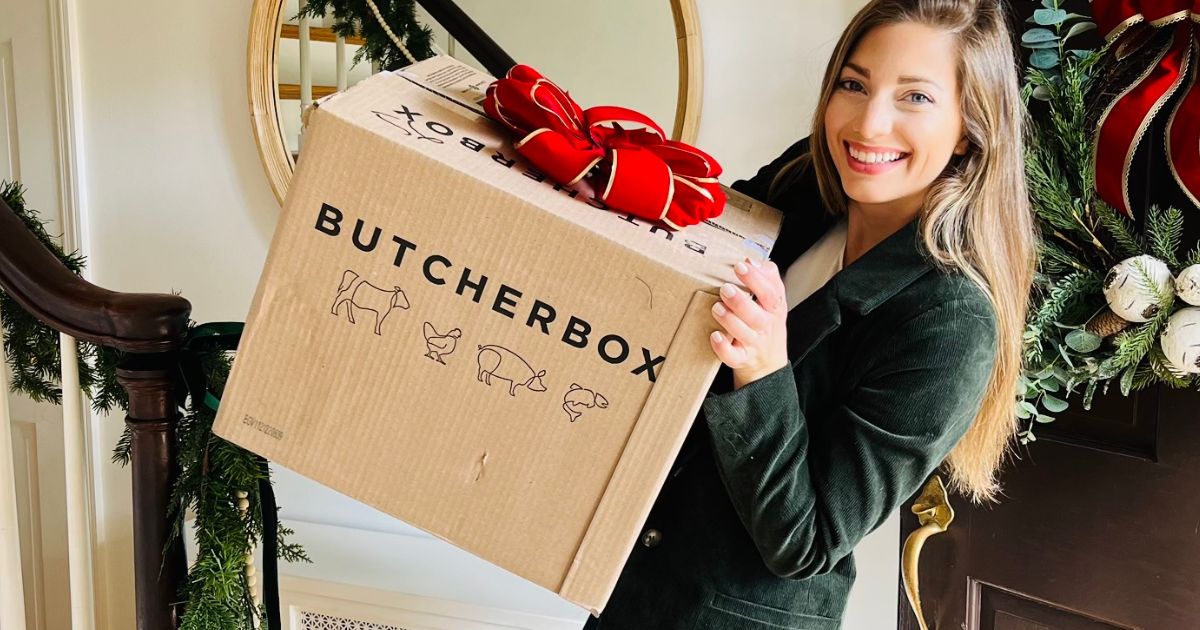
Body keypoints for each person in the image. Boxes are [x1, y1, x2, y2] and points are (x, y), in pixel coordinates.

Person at [582, 0, 1037, 628]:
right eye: (854, 85)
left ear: (969, 127)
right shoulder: (806, 182)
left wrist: (764, 371)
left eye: (916, 98)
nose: (869, 124)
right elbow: (695, 249)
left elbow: (807, 541)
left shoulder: (951, 323)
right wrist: (613, 199)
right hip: (632, 580)